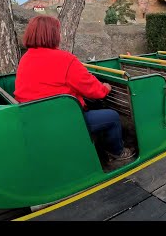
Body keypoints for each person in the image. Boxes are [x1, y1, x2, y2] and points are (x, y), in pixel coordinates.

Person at [14, 15, 135, 161]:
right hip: (62, 120)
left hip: (35, 118)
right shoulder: (65, 60)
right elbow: (96, 91)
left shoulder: (26, 58)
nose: (60, 35)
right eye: (58, 31)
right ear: (52, 34)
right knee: (112, 116)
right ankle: (117, 152)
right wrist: (106, 87)